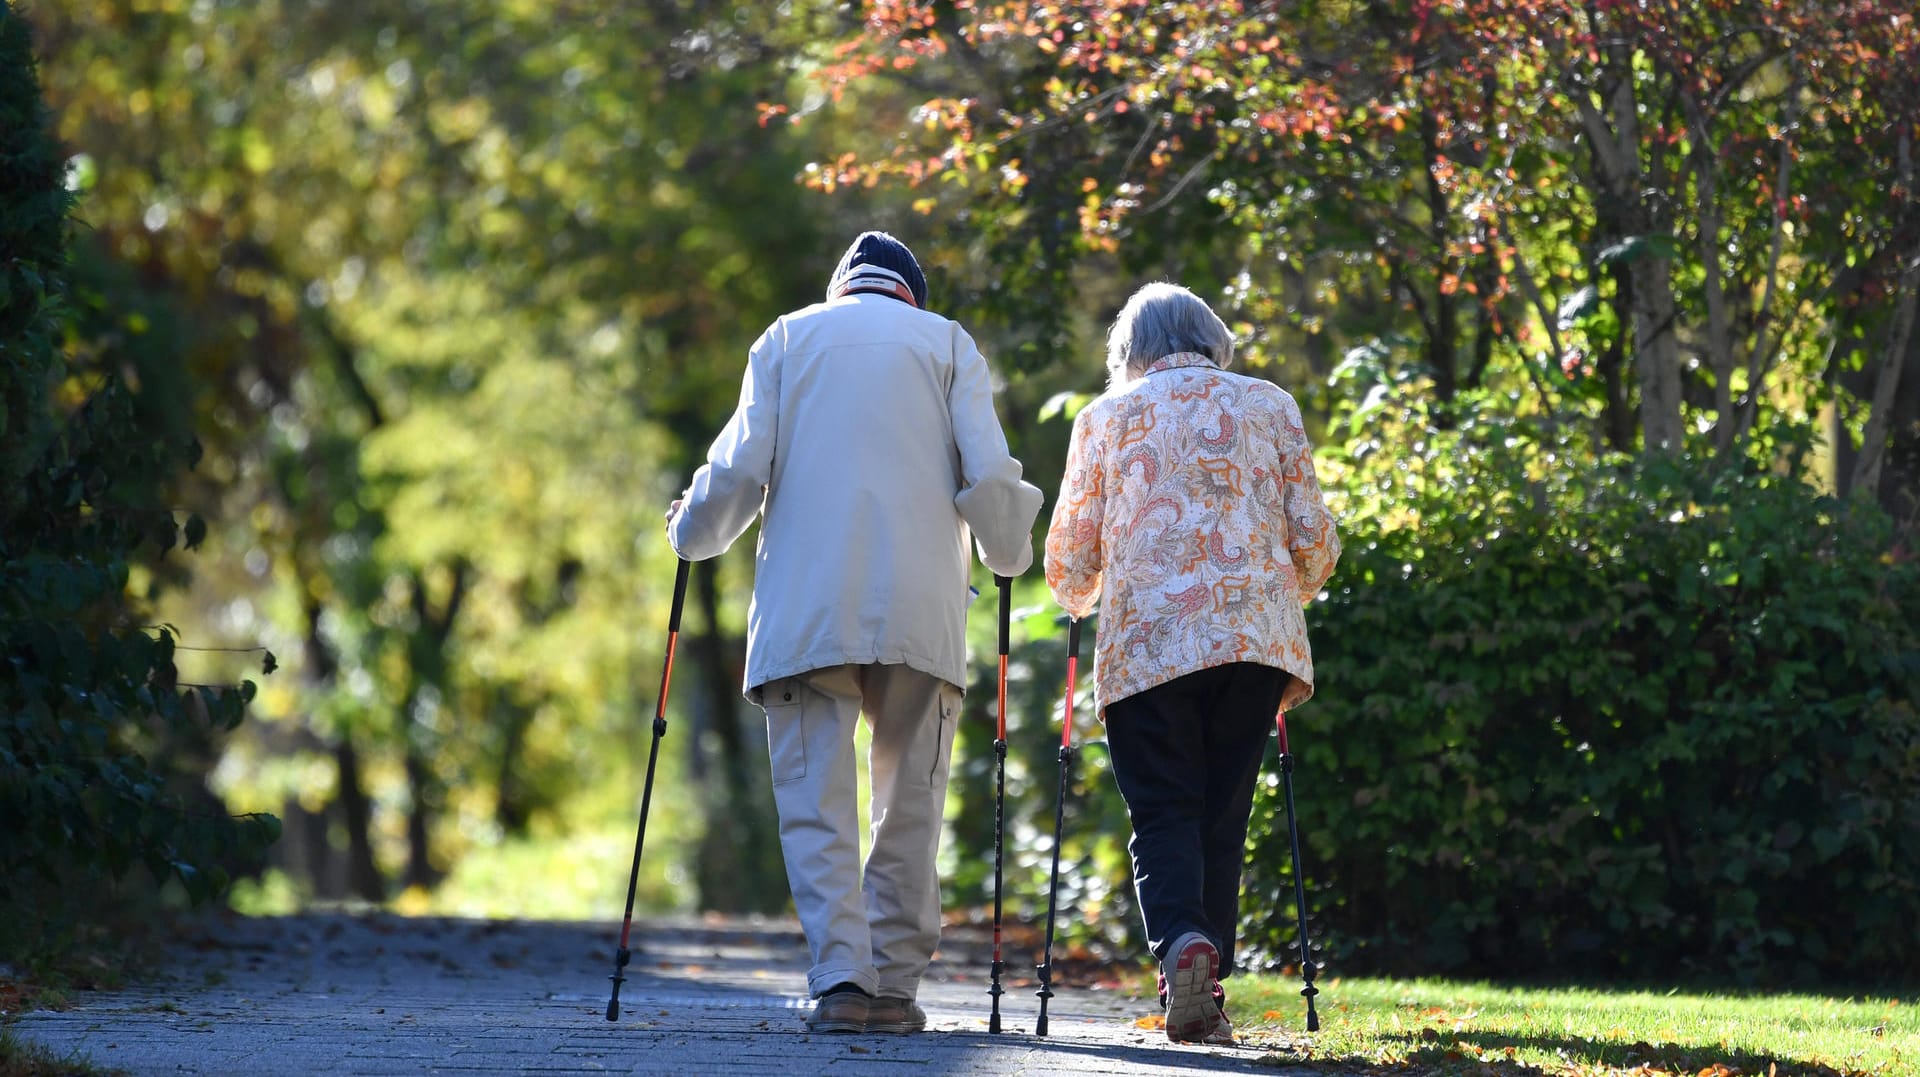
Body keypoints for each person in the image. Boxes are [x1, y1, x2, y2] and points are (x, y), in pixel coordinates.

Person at [665, 232, 1043, 1035]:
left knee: (816, 797)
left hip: (810, 602)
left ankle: (842, 979)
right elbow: (988, 472)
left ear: (843, 288)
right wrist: (1010, 551)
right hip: (920, 602)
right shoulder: (946, 344)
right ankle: (896, 987)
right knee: (911, 795)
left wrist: (689, 533)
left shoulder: (786, 337)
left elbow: (735, 472)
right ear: (913, 294)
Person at [1043, 282, 1340, 1045]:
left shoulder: (1104, 418)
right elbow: (1314, 538)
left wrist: (1081, 594)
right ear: (1213, 338)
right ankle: (1208, 982)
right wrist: (1281, 588)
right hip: (1254, 642)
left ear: (1128, 353)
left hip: (1149, 643)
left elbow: (1071, 559)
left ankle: (1184, 947)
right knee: (1222, 810)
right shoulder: (1270, 404)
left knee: (1164, 806)